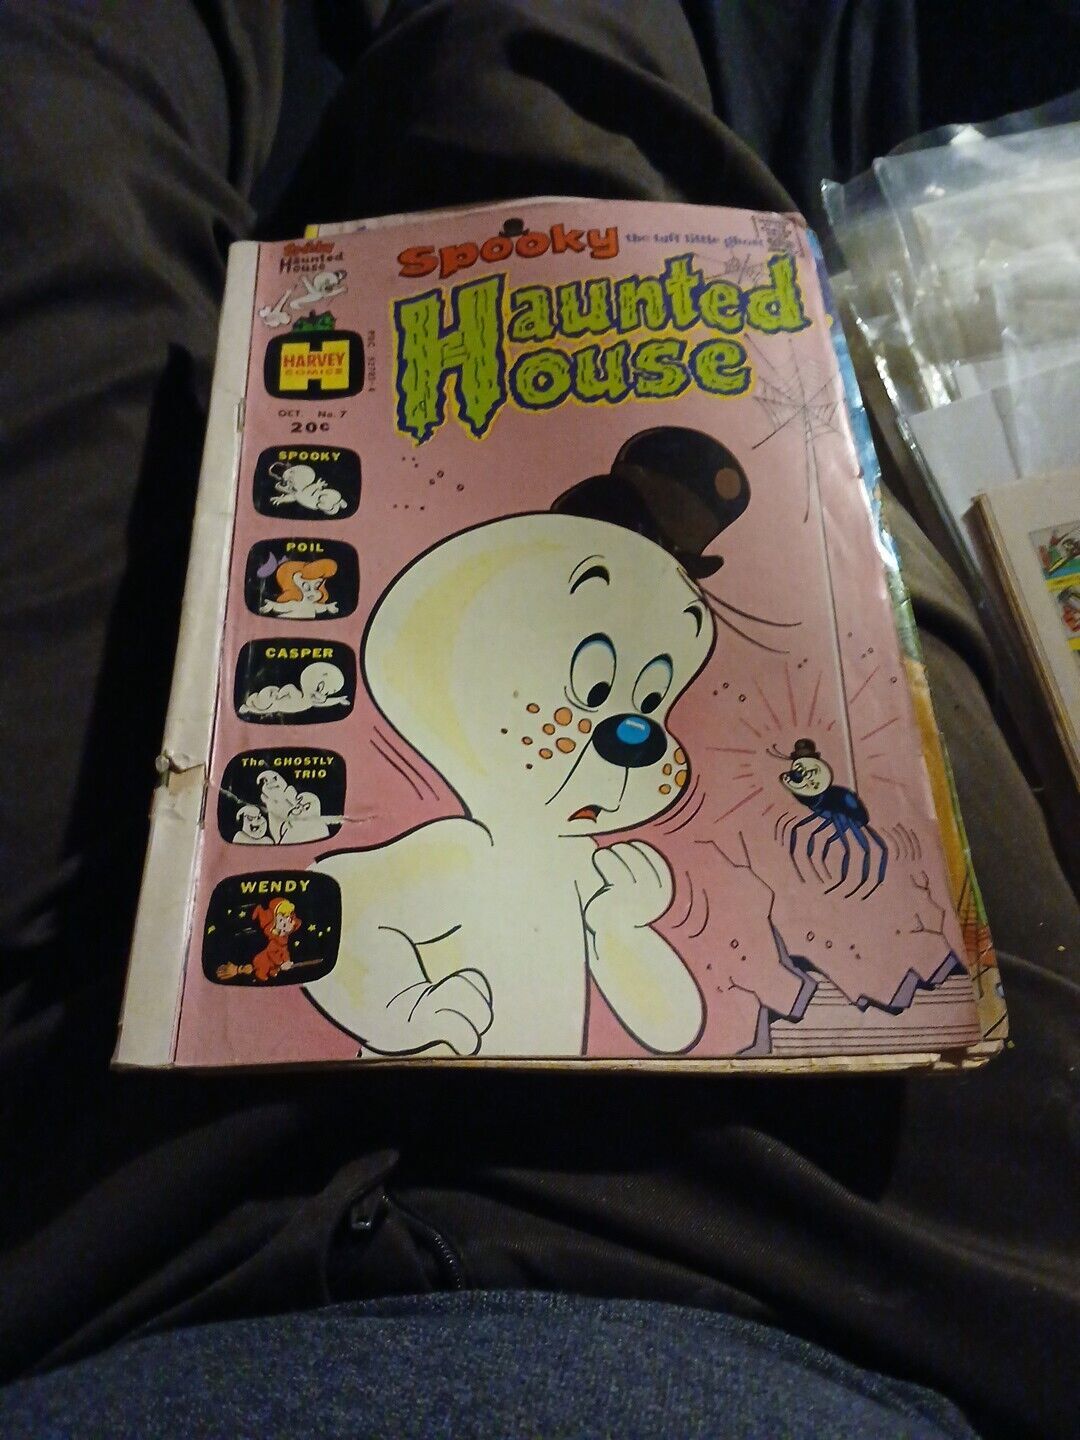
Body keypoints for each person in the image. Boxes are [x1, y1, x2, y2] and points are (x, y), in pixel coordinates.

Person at [0, 4, 1076, 1439]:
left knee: (50, 176)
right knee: (565, 112)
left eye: (647, 699)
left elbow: (635, 1003)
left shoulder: (596, 855)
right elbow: (343, 925)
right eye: (608, 688)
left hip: (81, 1248)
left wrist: (623, 933)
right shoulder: (442, 831)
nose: (635, 731)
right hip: (878, 1269)